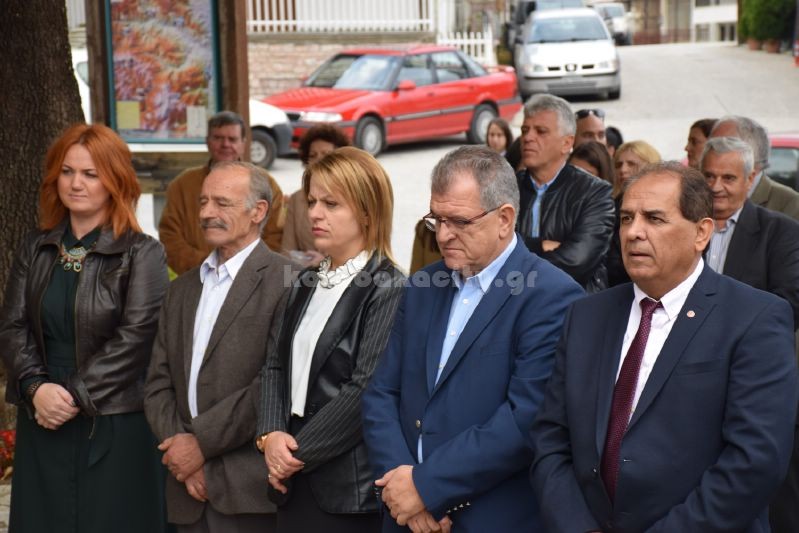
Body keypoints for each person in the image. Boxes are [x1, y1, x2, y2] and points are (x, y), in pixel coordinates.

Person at [532, 162, 798, 532]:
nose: (633, 233)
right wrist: (578, 525)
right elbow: (550, 438)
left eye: (654, 219)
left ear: (701, 233)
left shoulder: (754, 318)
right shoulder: (586, 316)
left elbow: (755, 462)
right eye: (626, 218)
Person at [362, 146, 584, 532]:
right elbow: (381, 393)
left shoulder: (552, 296)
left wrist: (426, 487)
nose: (443, 235)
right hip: (404, 515)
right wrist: (403, 486)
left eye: (460, 222)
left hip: (486, 518)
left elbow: (524, 420)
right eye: (436, 219)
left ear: (504, 219)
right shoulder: (423, 285)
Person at [0, 123, 170, 532]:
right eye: (67, 171)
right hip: (43, 411)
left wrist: (74, 395)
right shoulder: (36, 246)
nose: (76, 183)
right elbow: (13, 325)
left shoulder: (142, 252)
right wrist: (35, 388)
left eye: (91, 174)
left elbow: (137, 337)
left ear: (115, 181)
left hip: (114, 414)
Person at [257, 146, 405, 533]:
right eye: (312, 201)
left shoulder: (389, 286)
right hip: (290, 475)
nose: (315, 213)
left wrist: (291, 455)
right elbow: (273, 365)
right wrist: (270, 435)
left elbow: (364, 390)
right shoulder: (304, 281)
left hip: (343, 489)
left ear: (368, 212)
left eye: (331, 203)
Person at [145, 161, 294, 532]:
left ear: (258, 211)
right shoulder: (181, 290)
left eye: (222, 203)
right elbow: (158, 382)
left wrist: (200, 445)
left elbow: (274, 383)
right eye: (203, 202)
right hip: (186, 491)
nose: (206, 213)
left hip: (246, 491)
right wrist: (180, 451)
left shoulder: (289, 283)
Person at [700, 136, 799, 533]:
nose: (717, 187)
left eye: (728, 178)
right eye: (709, 176)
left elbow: (787, 306)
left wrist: (712, 327)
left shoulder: (781, 231)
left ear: (751, 178)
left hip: (751, 378)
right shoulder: (682, 228)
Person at [158, 110, 285, 274]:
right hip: (197, 277)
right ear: (207, 142)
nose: (225, 144)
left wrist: (241, 269)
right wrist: (209, 267)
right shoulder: (182, 185)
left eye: (232, 139)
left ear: (243, 143)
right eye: (218, 138)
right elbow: (170, 237)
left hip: (251, 279)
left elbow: (276, 236)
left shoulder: (266, 184)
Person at [516, 94, 615, 292]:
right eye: (525, 130)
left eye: (540, 131)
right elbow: (488, 249)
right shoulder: (505, 187)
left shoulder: (595, 193)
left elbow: (576, 262)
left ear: (567, 143)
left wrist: (514, 268)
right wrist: (541, 245)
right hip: (513, 305)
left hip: (574, 304)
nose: (528, 137)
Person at [282, 124, 351, 266]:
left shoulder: (354, 197)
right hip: (305, 276)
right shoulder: (297, 199)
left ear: (341, 160)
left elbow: (365, 253)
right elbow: (286, 253)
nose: (318, 160)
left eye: (326, 154)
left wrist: (325, 264)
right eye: (313, 155)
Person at [710, 115, 799, 219]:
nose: (708, 152)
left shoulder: (790, 204)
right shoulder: (701, 194)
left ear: (751, 154)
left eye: (721, 147)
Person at [607, 140, 662, 287]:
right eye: (618, 165)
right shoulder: (608, 207)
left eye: (631, 164)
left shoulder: (666, 206)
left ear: (650, 167)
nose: (623, 170)